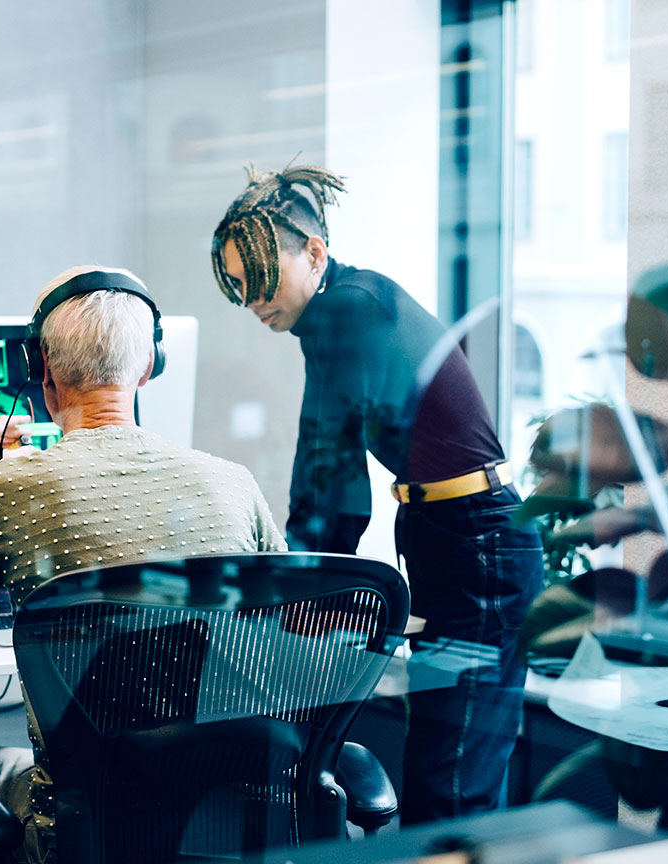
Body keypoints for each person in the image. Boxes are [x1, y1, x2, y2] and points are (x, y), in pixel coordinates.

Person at [0, 265, 286, 862]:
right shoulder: (235, 484)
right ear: (150, 365)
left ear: (40, 367)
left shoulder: (4, 489)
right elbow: (287, 636)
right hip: (238, 814)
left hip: (88, 824)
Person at [210, 165, 543, 823]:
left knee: (451, 787)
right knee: (457, 773)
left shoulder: (344, 310)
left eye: (258, 274)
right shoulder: (359, 300)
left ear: (314, 252)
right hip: (465, 539)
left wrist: (296, 591)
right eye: (237, 284)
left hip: (478, 546)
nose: (252, 298)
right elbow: (333, 472)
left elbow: (329, 471)